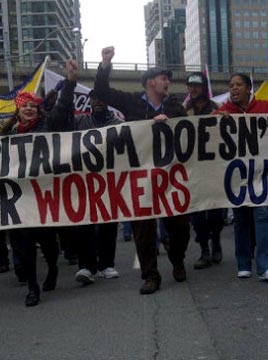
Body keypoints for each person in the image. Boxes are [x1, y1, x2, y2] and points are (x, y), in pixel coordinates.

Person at [93, 46, 191, 294]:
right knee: (143, 230)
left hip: (170, 179)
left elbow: (190, 139)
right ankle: (150, 276)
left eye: (168, 78)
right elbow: (101, 91)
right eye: (163, 78)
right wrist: (105, 64)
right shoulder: (133, 103)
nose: (167, 82)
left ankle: (177, 258)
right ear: (150, 83)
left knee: (179, 226)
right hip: (141, 177)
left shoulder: (176, 108)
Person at [0, 59, 78, 306]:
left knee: (47, 243)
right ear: (19, 111)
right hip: (21, 198)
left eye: (33, 106)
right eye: (25, 107)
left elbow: (63, 107)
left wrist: (70, 81)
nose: (30, 110)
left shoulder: (48, 126)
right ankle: (32, 288)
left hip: (44, 194)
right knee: (24, 244)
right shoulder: (8, 136)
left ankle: (53, 267)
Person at [213, 71, 268, 281]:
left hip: (261, 175)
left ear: (248, 88)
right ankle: (243, 264)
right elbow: (208, 129)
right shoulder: (224, 111)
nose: (234, 88)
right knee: (241, 219)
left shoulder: (265, 107)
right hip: (236, 176)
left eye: (238, 85)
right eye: (231, 85)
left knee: (262, 215)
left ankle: (265, 266)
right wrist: (217, 120)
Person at [49, 89, 123, 284]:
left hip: (109, 180)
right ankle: (86, 266)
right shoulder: (80, 122)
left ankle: (106, 264)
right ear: (89, 102)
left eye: (100, 97)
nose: (97, 101)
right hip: (84, 181)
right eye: (94, 98)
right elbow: (60, 124)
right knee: (85, 224)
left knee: (109, 222)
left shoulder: (117, 124)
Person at [183, 72, 225, 269]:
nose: (192, 89)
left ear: (204, 88)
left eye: (196, 86)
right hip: (194, 170)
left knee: (216, 211)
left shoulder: (218, 109)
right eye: (190, 86)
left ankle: (216, 241)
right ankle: (204, 250)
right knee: (198, 214)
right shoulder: (183, 111)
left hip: (214, 168)